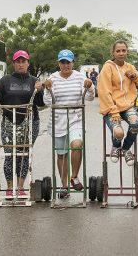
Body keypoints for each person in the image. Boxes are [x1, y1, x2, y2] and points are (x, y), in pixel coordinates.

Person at [0, 50, 46, 198]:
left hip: (30, 122)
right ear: (14, 64)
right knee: (10, 155)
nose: (21, 64)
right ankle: (9, 188)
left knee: (24, 154)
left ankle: (20, 187)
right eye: (18, 62)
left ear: (28, 63)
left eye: (23, 61)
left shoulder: (34, 80)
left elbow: (40, 103)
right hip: (9, 121)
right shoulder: (5, 80)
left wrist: (40, 91)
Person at [43, 49, 95, 198]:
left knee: (77, 145)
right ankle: (64, 185)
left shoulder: (79, 77)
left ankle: (74, 177)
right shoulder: (52, 78)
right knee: (62, 155)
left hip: (75, 119)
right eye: (63, 62)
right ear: (59, 63)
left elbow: (90, 98)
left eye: (68, 62)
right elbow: (47, 102)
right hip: (58, 120)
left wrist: (90, 85)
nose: (66, 65)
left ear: (73, 63)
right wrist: (47, 89)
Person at [97, 40, 138, 165]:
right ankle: (116, 146)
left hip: (127, 106)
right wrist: (114, 111)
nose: (121, 53)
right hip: (111, 107)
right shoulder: (107, 67)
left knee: (135, 124)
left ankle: (125, 149)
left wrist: (135, 77)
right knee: (119, 132)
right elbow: (104, 91)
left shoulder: (130, 67)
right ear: (113, 53)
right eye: (118, 51)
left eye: (123, 50)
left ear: (127, 52)